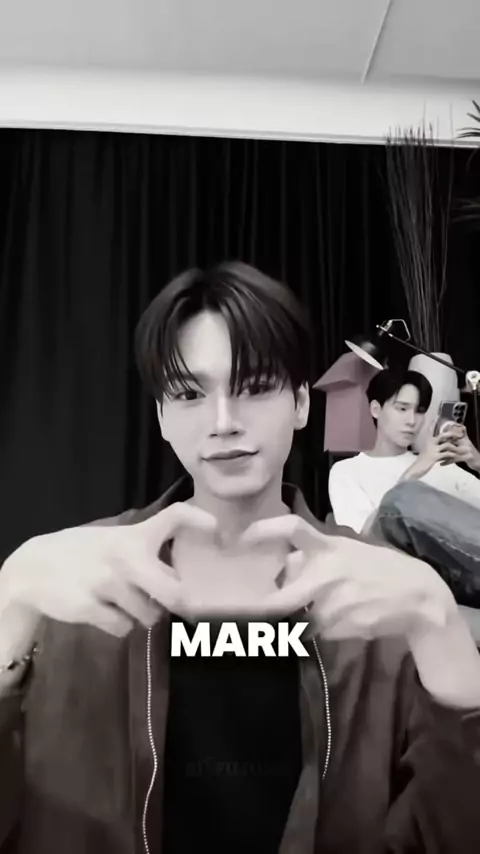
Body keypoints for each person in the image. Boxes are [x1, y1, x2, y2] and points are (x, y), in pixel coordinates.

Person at [0, 263, 480, 854]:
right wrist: (7, 620)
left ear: (300, 403)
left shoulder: (385, 598)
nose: (223, 423)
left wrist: (448, 642)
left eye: (253, 387)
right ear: (161, 417)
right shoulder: (74, 584)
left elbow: (450, 831)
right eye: (189, 395)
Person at [328, 368, 480, 536]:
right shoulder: (347, 471)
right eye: (402, 409)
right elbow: (364, 538)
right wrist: (413, 474)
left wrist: (478, 463)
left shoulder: (439, 464)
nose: (412, 421)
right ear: (376, 409)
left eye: (419, 411)